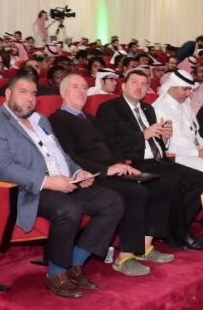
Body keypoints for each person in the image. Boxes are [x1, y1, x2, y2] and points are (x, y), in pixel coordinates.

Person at [0, 70, 124, 298]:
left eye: (33, 93)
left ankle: (75, 263)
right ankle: (55, 273)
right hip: (28, 189)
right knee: (68, 208)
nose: (29, 98)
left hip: (63, 182)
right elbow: (0, 167)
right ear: (8, 94)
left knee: (112, 201)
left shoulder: (41, 120)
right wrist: (47, 182)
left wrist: (78, 171)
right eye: (23, 92)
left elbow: (61, 155)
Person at [49, 73, 177, 277]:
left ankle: (144, 248)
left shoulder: (89, 119)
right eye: (75, 87)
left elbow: (108, 148)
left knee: (157, 184)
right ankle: (125, 257)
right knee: (135, 192)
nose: (82, 91)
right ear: (63, 92)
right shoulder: (58, 120)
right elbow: (68, 157)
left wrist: (122, 164)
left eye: (84, 87)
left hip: (109, 168)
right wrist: (105, 170)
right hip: (90, 175)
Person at [95, 69, 203, 250]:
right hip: (133, 162)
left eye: (144, 84)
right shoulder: (109, 108)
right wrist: (143, 135)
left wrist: (165, 137)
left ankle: (174, 228)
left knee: (201, 179)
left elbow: (157, 143)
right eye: (134, 83)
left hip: (157, 160)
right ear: (123, 86)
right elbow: (110, 144)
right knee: (171, 180)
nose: (139, 87)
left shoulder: (148, 109)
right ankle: (180, 232)